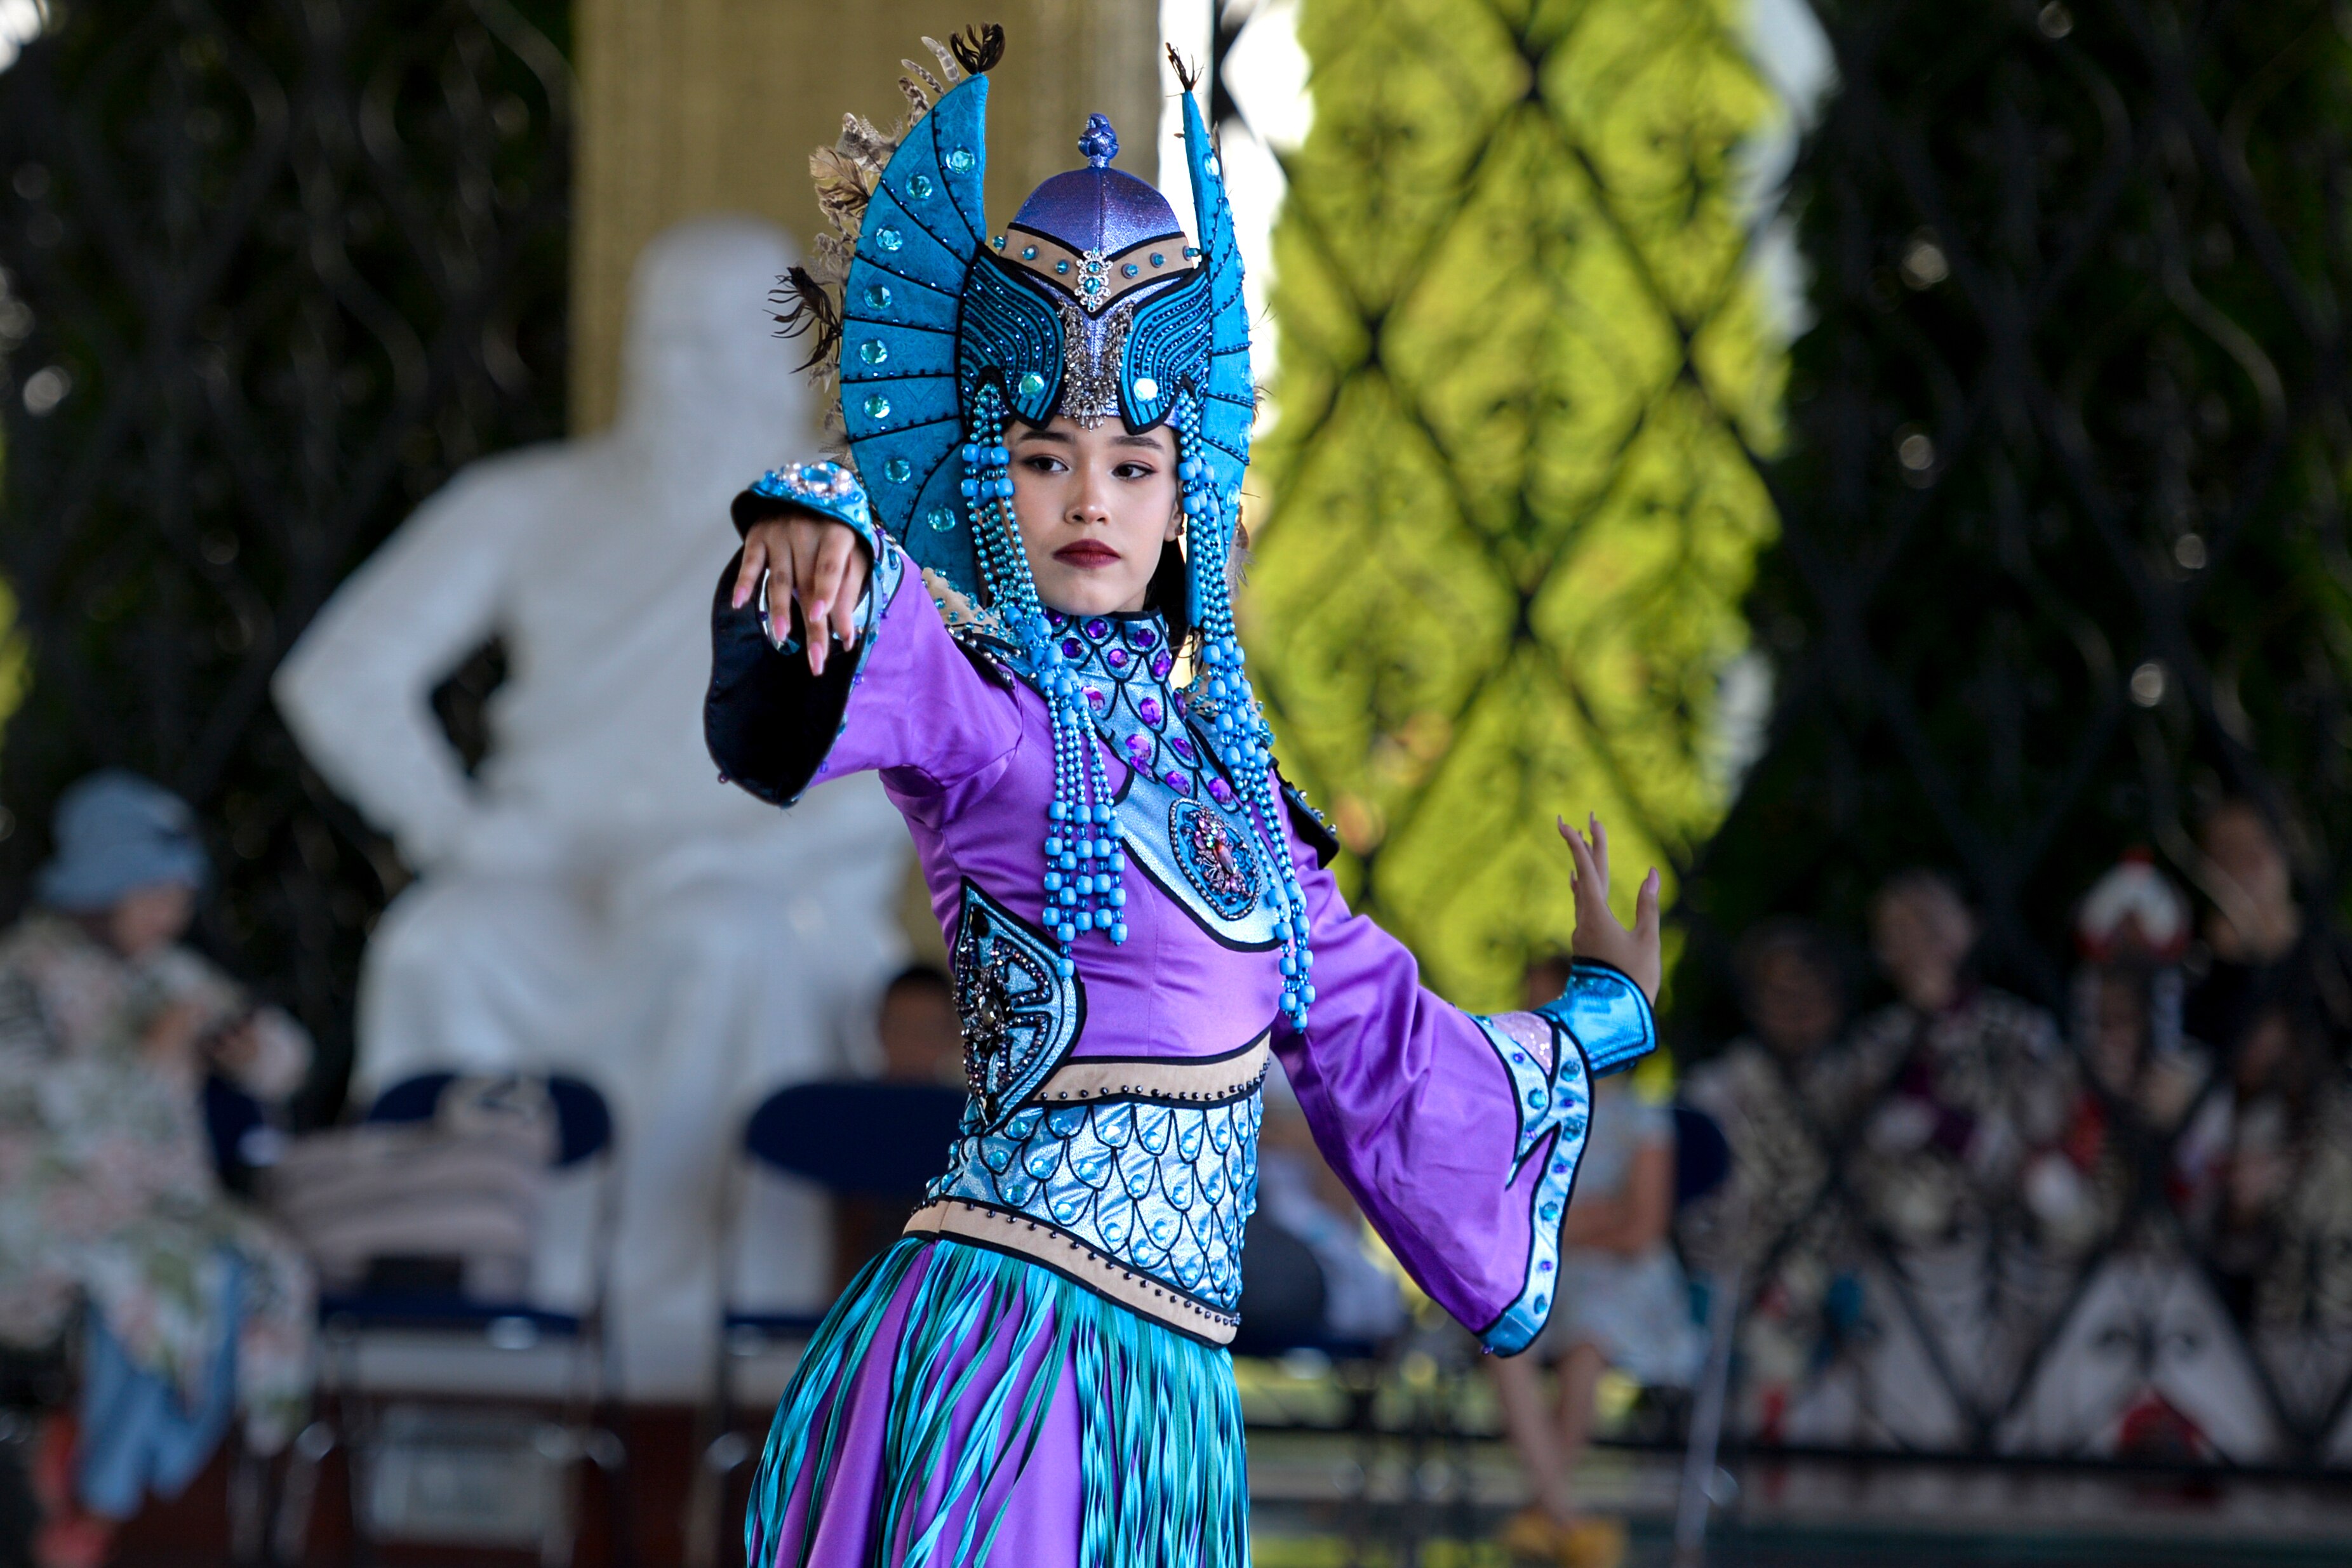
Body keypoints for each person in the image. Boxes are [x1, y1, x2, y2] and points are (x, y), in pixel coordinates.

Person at [704, 36, 1664, 1566]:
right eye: (1044, 452)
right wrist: (807, 521)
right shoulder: (991, 707)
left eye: (1134, 461)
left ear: (1184, 493)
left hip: (1166, 1394)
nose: (1092, 497)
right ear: (985, 473)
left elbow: (1379, 1042)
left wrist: (1604, 1015)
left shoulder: (1248, 805)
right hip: (1002, 1364)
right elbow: (866, 630)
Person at [274, 216, 911, 1396]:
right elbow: (341, 677)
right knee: (439, 943)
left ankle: (686, 1360)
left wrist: (762, 853)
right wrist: (455, 830)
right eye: (672, 340)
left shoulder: (874, 521)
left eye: (732, 343)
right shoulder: (530, 502)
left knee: (718, 949)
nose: (696, 372)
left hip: (761, 883)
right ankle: (462, 1332)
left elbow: (949, 738)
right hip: (553, 876)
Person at [0, 773, 315, 1567]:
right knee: (160, 1278)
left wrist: (250, 1051)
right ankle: (97, 1504)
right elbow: (36, 1106)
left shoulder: (171, 975)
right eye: (154, 895)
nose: (169, 916)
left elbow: (285, 1062)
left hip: (162, 1203)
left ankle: (106, 1472)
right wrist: (145, 1059)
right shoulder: (25, 975)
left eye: (177, 898)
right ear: (102, 887)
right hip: (46, 1203)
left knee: (257, 1266)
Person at [1841, 870, 2073, 1445]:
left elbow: (2049, 1156)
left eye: (1929, 924)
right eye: (1896, 931)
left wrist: (1957, 1130)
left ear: (1965, 933)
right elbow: (1852, 1164)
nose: (1915, 943)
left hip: (2007, 1275)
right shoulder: (1874, 1045)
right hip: (1903, 1281)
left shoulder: (2022, 1033)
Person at [1490, 958, 1699, 1568]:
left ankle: (1546, 1517)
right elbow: (1499, 1211)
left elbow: (1640, 1229)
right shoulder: (1518, 1105)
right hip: (1538, 1272)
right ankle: (1566, 1520)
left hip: (1620, 1280)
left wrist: (1555, 1221)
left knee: (1588, 1344)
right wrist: (1587, 1215)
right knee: (1506, 1342)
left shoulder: (1642, 1114)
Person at [1681, 919, 1870, 1444]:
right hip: (1737, 1277)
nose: (1795, 1009)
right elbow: (1696, 1213)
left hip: (1836, 1285)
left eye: (1810, 995)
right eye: (1779, 993)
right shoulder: (1716, 1091)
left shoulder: (1856, 1089)